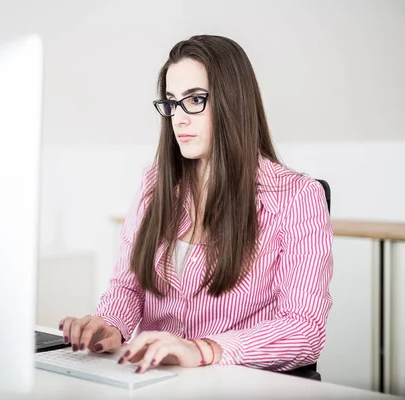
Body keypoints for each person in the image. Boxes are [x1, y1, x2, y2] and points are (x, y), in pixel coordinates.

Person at [59, 34, 333, 375]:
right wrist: (110, 327)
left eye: (196, 99)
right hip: (155, 381)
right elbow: (128, 288)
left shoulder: (296, 196)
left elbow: (304, 329)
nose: (179, 118)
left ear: (233, 102)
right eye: (172, 102)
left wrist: (201, 350)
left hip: (239, 384)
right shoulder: (154, 185)